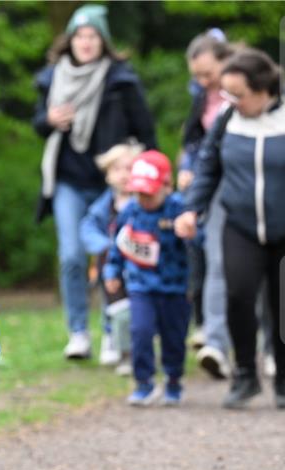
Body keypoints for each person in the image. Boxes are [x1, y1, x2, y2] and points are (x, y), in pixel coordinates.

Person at [175, 49, 285, 409]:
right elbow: (208, 165)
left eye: (238, 94)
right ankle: (245, 376)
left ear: (263, 89)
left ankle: (284, 379)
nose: (231, 101)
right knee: (238, 294)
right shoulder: (228, 117)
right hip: (241, 225)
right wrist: (192, 209)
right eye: (227, 93)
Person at [32, 4, 157, 361]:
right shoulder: (52, 78)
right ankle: (78, 333)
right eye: (80, 36)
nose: (86, 42)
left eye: (93, 36)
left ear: (103, 41)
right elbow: (38, 124)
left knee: (111, 254)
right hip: (67, 182)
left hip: (112, 185)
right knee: (72, 256)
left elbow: (145, 131)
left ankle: (112, 333)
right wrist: (49, 120)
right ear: (70, 41)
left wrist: (151, 176)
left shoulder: (121, 79)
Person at [103, 151, 192, 406]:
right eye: (138, 193)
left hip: (175, 289)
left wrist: (189, 233)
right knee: (140, 331)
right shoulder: (130, 212)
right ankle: (144, 383)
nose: (143, 199)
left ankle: (173, 380)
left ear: (167, 186)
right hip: (140, 286)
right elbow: (118, 245)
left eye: (149, 194)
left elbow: (200, 242)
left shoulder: (179, 209)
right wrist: (112, 271)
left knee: (174, 338)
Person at [178, 30, 235, 380]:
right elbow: (195, 142)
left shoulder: (252, 86)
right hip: (215, 184)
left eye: (207, 73)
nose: (202, 81)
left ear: (226, 61)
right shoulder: (201, 96)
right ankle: (215, 343)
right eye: (196, 75)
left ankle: (269, 346)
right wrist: (188, 171)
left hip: (253, 183)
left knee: (259, 268)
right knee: (216, 261)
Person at [79, 142, 144, 373]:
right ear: (107, 175)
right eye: (117, 169)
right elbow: (87, 229)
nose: (124, 175)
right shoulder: (102, 207)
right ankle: (111, 336)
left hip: (140, 265)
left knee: (138, 306)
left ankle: (136, 347)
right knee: (113, 302)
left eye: (129, 168)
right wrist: (106, 246)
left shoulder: (143, 202)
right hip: (112, 267)